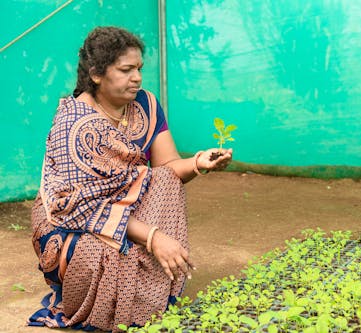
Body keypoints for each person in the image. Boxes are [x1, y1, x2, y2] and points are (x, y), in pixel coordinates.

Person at [28, 26, 232, 332]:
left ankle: (144, 294)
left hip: (126, 209)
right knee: (98, 253)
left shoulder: (145, 106)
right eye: (126, 70)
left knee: (165, 182)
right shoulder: (73, 125)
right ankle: (110, 301)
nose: (136, 77)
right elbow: (80, 209)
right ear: (96, 74)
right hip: (70, 224)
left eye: (139, 69)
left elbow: (167, 169)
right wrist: (154, 237)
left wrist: (198, 163)